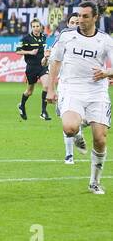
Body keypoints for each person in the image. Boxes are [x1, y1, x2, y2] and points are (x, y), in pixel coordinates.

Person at [47, 1, 113, 194]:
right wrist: (51, 89)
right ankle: (77, 133)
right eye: (79, 16)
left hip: (97, 91)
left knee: (100, 139)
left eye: (85, 17)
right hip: (71, 88)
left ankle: (94, 182)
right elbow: (56, 62)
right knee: (69, 127)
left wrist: (106, 73)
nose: (81, 20)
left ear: (95, 18)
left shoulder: (105, 40)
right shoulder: (67, 36)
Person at [42, 12, 81, 165]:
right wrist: (45, 57)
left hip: (82, 86)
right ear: (68, 24)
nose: (75, 25)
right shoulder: (62, 40)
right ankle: (69, 155)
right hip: (65, 85)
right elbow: (46, 62)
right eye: (73, 22)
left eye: (78, 22)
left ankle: (78, 131)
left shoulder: (89, 41)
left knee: (78, 119)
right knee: (66, 121)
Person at [16, 18, 51, 121]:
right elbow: (17, 51)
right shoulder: (26, 39)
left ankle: (43, 112)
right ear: (31, 27)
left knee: (46, 85)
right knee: (29, 91)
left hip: (42, 66)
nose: (36, 28)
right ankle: (22, 105)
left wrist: (46, 55)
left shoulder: (44, 37)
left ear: (41, 27)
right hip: (31, 68)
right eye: (34, 26)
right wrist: (30, 52)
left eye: (37, 26)